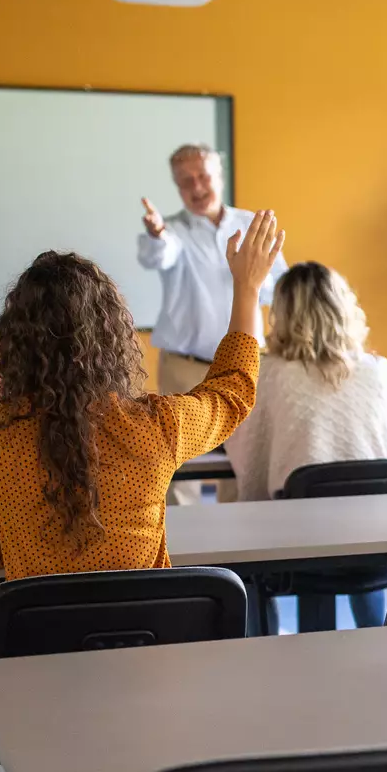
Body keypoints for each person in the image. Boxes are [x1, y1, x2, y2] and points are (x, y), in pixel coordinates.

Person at [0, 211, 282, 772]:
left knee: (74, 683)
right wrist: (246, 286)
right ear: (112, 336)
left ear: (14, 342)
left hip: (33, 678)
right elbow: (233, 391)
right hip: (149, 673)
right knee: (127, 687)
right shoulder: (158, 425)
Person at [226, 261, 387, 630]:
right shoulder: (378, 369)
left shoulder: (268, 373)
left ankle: (264, 647)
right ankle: (378, 634)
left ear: (283, 314)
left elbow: (248, 452)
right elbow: (381, 445)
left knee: (250, 537)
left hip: (298, 549)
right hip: (377, 544)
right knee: (356, 507)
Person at [137, 143, 288, 505]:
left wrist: (249, 277)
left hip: (246, 367)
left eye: (203, 176)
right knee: (178, 465)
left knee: (246, 464)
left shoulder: (250, 225)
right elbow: (159, 254)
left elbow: (279, 287)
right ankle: (185, 550)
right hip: (184, 368)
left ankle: (240, 546)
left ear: (219, 177)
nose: (197, 187)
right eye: (186, 181)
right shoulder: (170, 230)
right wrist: (157, 233)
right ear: (177, 187)